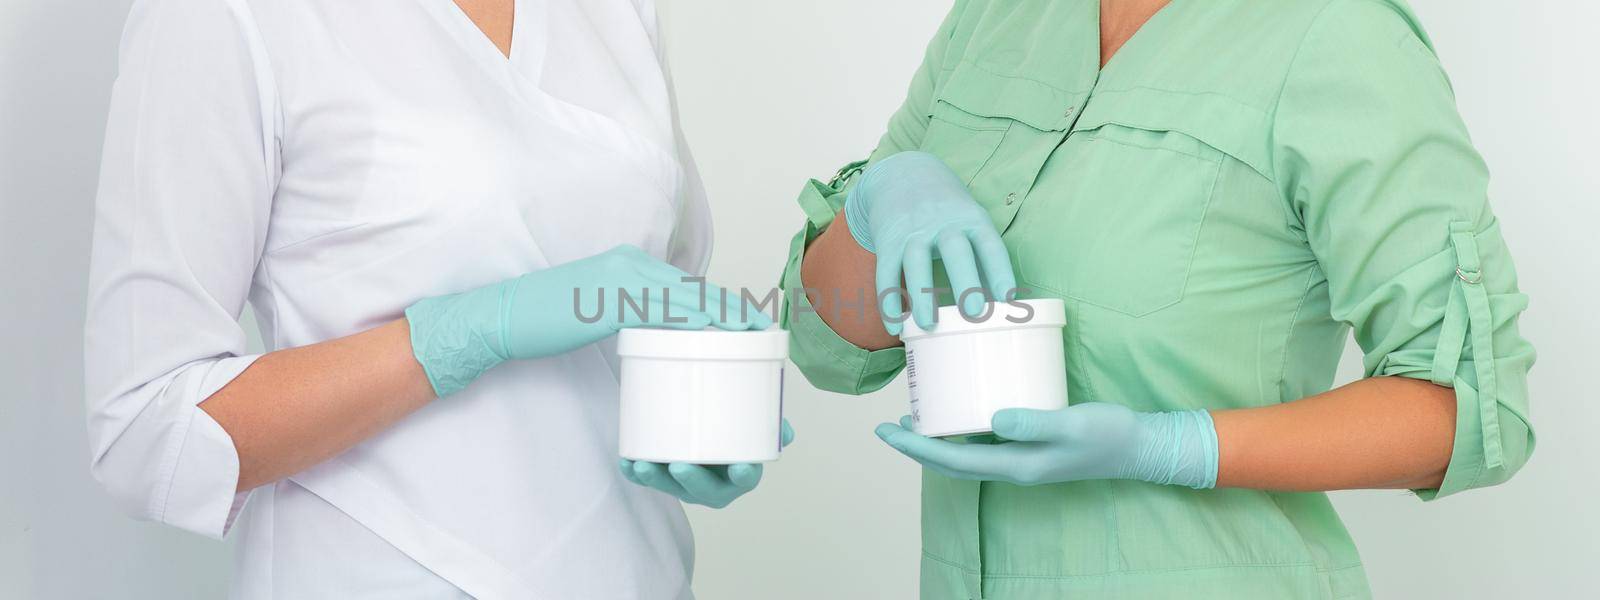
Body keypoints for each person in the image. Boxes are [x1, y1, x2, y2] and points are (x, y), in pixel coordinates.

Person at [784, 0, 1535, 597]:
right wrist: (881, 197)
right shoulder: (994, 19)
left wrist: (1172, 447)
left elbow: (1473, 411)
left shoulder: (1338, 35)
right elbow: (828, 339)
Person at [83, 0, 783, 597]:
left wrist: (704, 415)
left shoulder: (619, 13)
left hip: (638, 570)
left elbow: (661, 286)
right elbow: (146, 430)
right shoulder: (230, 16)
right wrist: (463, 332)